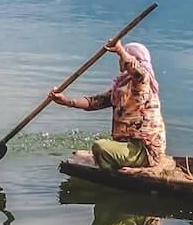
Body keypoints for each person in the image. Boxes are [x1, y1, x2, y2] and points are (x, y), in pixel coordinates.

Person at [50, 41, 167, 170]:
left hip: (144, 150)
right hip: (129, 145)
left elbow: (139, 73)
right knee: (103, 146)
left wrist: (120, 51)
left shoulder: (143, 84)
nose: (120, 61)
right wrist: (66, 101)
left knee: (99, 146)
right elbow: (93, 102)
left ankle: (113, 173)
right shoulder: (121, 87)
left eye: (123, 58)